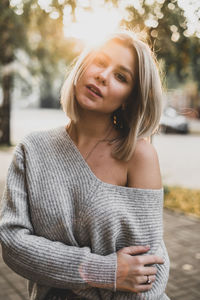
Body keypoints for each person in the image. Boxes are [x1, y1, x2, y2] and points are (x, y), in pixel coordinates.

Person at [0, 29, 170, 300]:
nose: (103, 76)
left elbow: (148, 274)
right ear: (83, 65)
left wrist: (58, 266)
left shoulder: (139, 155)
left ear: (129, 98)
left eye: (120, 76)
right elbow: (13, 244)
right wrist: (106, 271)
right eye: (100, 62)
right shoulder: (31, 150)